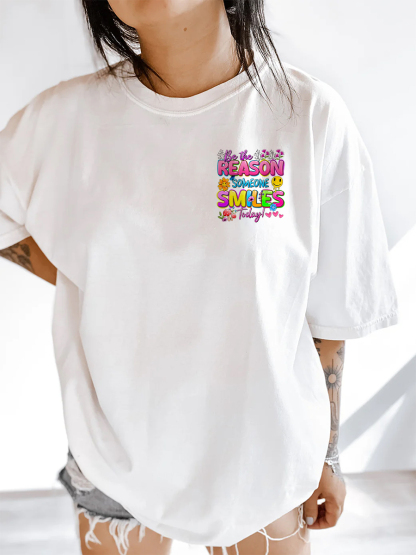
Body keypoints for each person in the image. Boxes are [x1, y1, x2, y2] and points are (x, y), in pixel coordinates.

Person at [0, 1, 399, 554]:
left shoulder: (306, 115)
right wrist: (94, 279)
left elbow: (330, 312)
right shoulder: (64, 120)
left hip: (262, 459)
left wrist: (327, 454)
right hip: (115, 454)